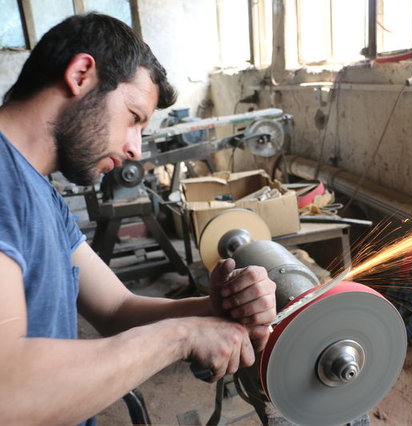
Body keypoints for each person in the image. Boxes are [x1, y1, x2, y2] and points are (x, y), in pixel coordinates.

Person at [0, 13, 276, 425]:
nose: (135, 149)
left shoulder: (39, 192)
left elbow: (116, 307)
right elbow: (8, 390)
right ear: (81, 75)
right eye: (133, 117)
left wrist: (210, 308)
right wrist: (180, 337)